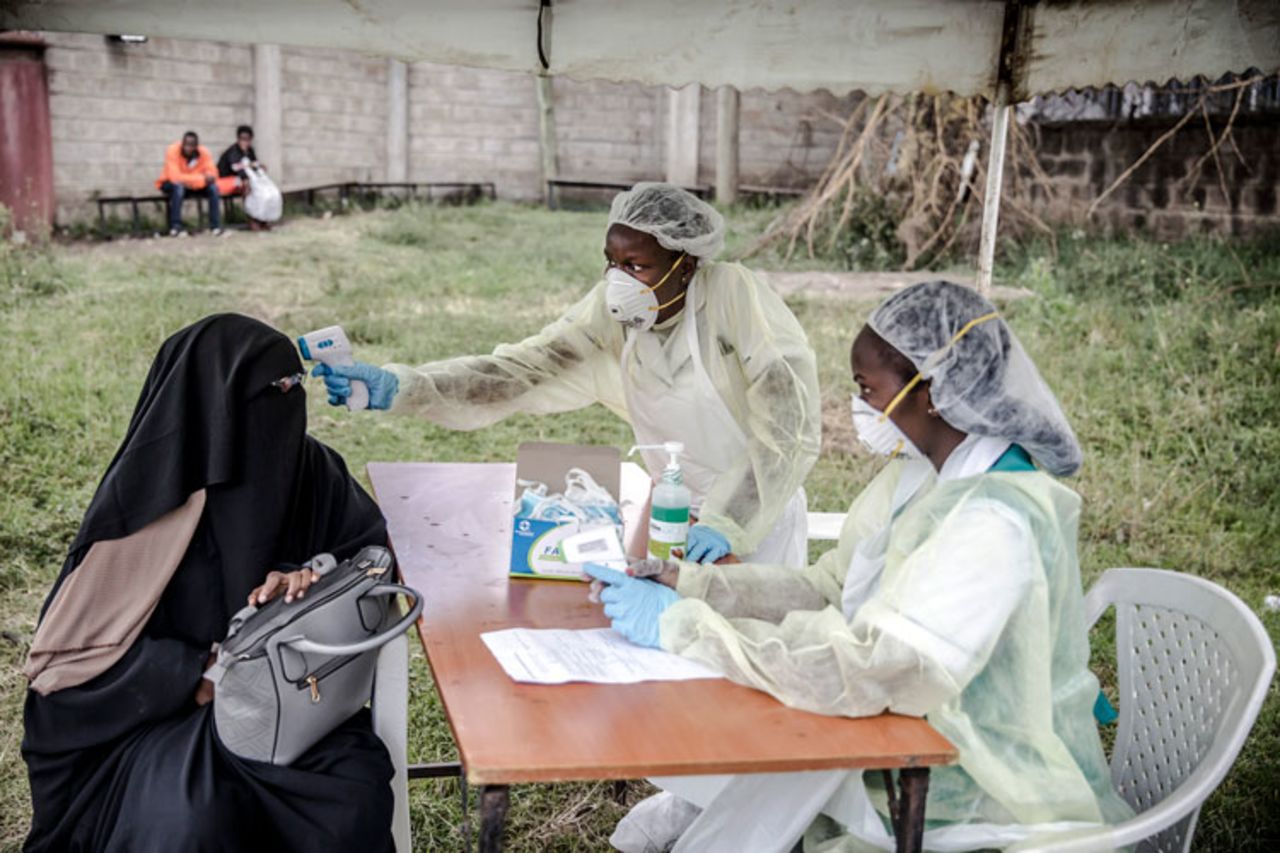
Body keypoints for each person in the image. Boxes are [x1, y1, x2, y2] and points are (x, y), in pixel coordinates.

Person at [586, 280, 1134, 852]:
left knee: (756, 775)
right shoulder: (921, 476)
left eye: (868, 389)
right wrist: (691, 585)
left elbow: (876, 672)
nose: (860, 409)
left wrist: (685, 627)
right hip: (898, 732)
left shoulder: (994, 522)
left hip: (977, 788)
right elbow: (832, 588)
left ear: (934, 393)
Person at [21, 315, 395, 852]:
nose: (285, 403)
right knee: (190, 820)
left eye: (293, 387)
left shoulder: (310, 469)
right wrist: (195, 673)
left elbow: (368, 555)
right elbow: (65, 665)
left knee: (352, 798)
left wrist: (310, 572)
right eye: (268, 392)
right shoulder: (148, 506)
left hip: (290, 705)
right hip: (160, 723)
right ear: (212, 406)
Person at [316, 183, 821, 567]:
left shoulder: (733, 296)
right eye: (611, 262)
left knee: (736, 662)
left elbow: (787, 424)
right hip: (672, 502)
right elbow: (521, 370)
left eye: (637, 265)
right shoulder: (612, 312)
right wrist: (406, 387)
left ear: (684, 265)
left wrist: (730, 524)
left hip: (753, 515)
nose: (617, 280)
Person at [156, 130, 225, 237]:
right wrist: (201, 179)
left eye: (192, 146)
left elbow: (213, 174)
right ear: (182, 144)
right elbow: (175, 177)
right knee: (178, 188)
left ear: (196, 147)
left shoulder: (203, 153)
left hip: (194, 185)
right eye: (186, 145)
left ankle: (215, 226)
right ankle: (176, 227)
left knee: (213, 188)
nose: (188, 148)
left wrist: (202, 178)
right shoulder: (172, 150)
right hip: (169, 183)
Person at [217, 125, 271, 231]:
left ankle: (262, 219)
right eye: (242, 139)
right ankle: (251, 220)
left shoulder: (250, 151)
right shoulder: (233, 151)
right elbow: (236, 168)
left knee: (262, 187)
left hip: (240, 179)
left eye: (247, 139)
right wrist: (246, 178)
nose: (244, 142)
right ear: (238, 139)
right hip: (226, 180)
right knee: (247, 186)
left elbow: (253, 164)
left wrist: (260, 167)